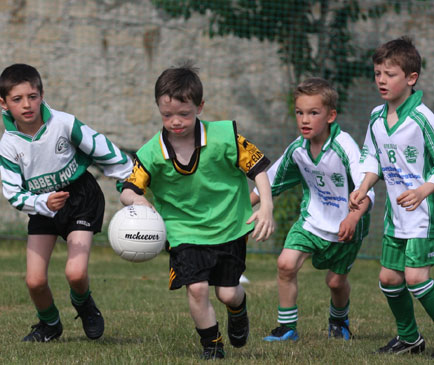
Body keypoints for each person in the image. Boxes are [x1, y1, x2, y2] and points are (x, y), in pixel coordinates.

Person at [120, 63, 274, 360]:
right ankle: (212, 345)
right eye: (167, 115)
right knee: (198, 289)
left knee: (228, 293)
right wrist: (142, 206)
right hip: (183, 231)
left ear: (200, 107)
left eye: (184, 114)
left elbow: (258, 168)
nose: (175, 121)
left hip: (229, 225)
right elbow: (128, 189)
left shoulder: (224, 137)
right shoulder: (152, 152)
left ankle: (238, 310)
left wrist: (266, 205)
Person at [0, 64, 133, 342]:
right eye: (17, 99)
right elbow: (12, 193)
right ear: (3, 103)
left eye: (32, 96)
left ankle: (85, 306)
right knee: (34, 281)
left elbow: (103, 149)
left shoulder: (63, 123)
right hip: (43, 205)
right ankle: (50, 325)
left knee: (75, 272)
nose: (27, 105)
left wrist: (129, 181)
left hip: (80, 198)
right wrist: (42, 202)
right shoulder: (8, 145)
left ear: (42, 94)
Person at [251, 77, 374, 342]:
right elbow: (270, 181)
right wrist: (239, 209)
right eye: (300, 112)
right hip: (311, 221)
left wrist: (353, 217)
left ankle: (339, 320)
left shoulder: (345, 147)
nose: (305, 120)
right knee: (285, 264)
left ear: (331, 116)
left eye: (313, 113)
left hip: (347, 226)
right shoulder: (298, 149)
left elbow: (367, 188)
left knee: (335, 282)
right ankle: (287, 328)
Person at [350, 36, 434, 355]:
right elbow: (372, 157)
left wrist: (425, 189)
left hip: (424, 214)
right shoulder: (376, 117)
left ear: (411, 78)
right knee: (388, 278)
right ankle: (410, 339)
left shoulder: (423, 119)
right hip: (396, 216)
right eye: (377, 74)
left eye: (390, 74)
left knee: (416, 278)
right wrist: (362, 187)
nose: (381, 81)